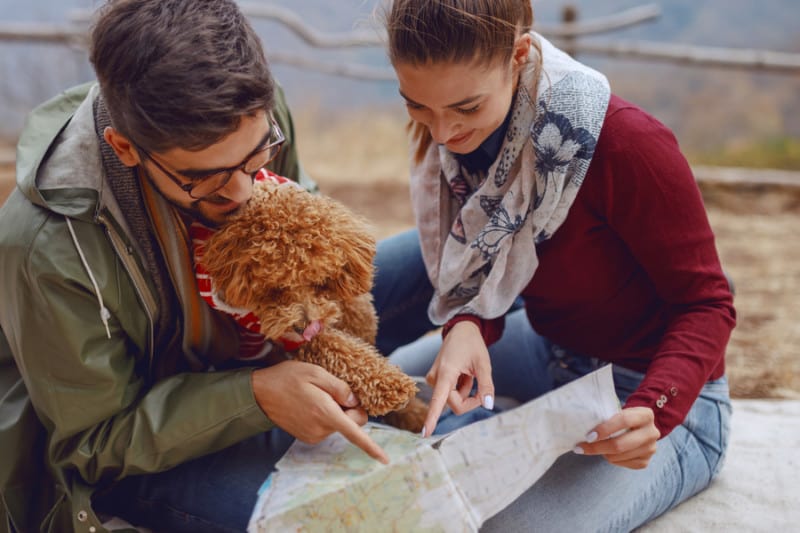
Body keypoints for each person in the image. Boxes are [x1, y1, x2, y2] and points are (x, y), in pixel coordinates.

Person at [0, 1, 435, 531]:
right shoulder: (49, 245)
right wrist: (257, 397)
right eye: (205, 179)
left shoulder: (253, 112)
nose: (243, 189)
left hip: (268, 337)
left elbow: (299, 212)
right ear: (125, 148)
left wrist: (466, 322)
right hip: (150, 449)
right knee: (359, 517)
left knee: (436, 259)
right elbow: (93, 444)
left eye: (256, 158)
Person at [381, 1, 737, 531]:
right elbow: (493, 260)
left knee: (513, 527)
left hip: (653, 394)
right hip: (552, 351)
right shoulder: (468, 143)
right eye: (418, 108)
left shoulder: (627, 144)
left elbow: (708, 304)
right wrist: (468, 324)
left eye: (465, 108)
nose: (441, 135)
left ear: (519, 55)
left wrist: (654, 410)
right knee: (388, 397)